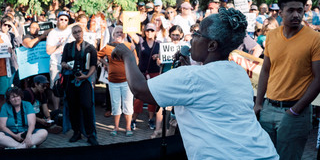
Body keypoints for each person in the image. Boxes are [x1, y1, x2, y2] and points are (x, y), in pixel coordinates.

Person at [111, 8, 279, 159]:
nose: (192, 39)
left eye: (198, 34)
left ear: (212, 45)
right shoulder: (238, 73)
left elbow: (140, 89)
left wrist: (128, 55)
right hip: (263, 153)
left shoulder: (191, 77)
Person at [254, 0, 320, 160]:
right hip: (268, 109)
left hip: (295, 112)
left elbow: (319, 78)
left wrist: (296, 110)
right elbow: (266, 70)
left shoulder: (314, 39)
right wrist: (259, 104)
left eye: (300, 10)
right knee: (264, 156)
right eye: (291, 10)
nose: (296, 15)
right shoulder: (272, 36)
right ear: (280, 12)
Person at [61, 25, 98, 146]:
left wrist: (87, 76)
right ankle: (76, 132)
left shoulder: (90, 48)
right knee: (73, 107)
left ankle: (91, 134)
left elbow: (93, 65)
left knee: (87, 106)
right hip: (71, 80)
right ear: (72, 34)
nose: (77, 34)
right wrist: (66, 65)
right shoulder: (68, 47)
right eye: (75, 32)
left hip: (84, 80)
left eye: (79, 31)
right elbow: (63, 61)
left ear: (83, 32)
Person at [97, 25, 137, 137]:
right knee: (115, 105)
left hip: (126, 81)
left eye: (121, 32)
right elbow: (98, 56)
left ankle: (128, 127)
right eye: (117, 32)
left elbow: (136, 62)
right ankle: (116, 127)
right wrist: (106, 64)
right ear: (113, 35)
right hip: (113, 81)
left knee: (128, 105)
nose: (119, 34)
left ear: (124, 35)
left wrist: (133, 51)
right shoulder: (108, 47)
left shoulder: (130, 46)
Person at [128, 23, 160, 131]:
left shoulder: (159, 44)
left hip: (154, 73)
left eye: (152, 30)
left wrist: (158, 57)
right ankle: (134, 119)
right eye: (147, 30)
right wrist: (137, 20)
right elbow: (129, 31)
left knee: (152, 97)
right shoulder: (141, 41)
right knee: (139, 97)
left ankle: (151, 119)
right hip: (141, 73)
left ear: (155, 32)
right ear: (144, 31)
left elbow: (162, 60)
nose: (149, 33)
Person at [46, 11, 74, 110]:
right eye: (61, 19)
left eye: (65, 20)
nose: (63, 21)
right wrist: (60, 44)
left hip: (69, 64)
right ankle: (56, 111)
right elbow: (48, 51)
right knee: (55, 88)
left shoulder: (71, 32)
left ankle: (69, 110)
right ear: (57, 20)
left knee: (70, 88)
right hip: (55, 63)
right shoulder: (52, 33)